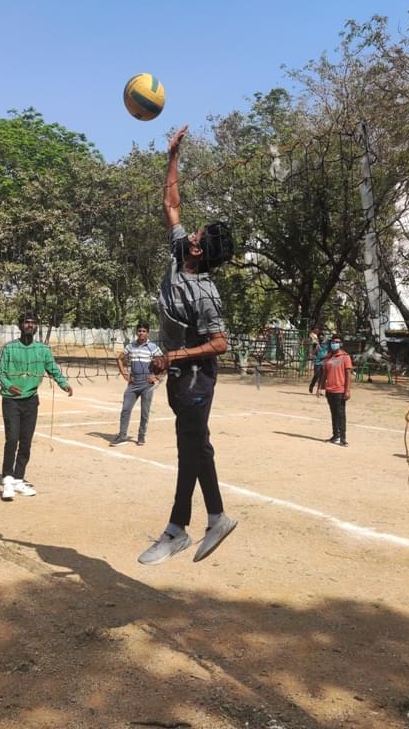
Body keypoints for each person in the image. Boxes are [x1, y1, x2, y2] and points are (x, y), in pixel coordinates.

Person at [138, 124, 238, 566]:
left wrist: (174, 355)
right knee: (197, 446)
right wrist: (173, 155)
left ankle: (178, 529)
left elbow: (220, 343)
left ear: (199, 250)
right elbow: (171, 203)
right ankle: (216, 518)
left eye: (196, 233)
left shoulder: (205, 293)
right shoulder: (180, 253)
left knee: (190, 447)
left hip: (197, 378)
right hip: (179, 374)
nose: (190, 231)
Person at [0, 311, 73, 502]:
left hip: (31, 400)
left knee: (26, 441)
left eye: (33, 322)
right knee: (12, 439)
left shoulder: (43, 349)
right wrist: (8, 385)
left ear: (36, 326)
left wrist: (63, 384)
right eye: (26, 322)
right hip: (11, 400)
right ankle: (7, 480)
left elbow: (52, 368)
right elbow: (0, 373)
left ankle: (18, 479)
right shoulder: (9, 348)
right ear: (20, 325)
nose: (30, 325)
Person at [111, 322, 163, 446]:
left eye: (144, 331)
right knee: (125, 409)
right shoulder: (131, 346)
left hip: (147, 383)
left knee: (145, 412)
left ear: (147, 333)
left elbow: (164, 363)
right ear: (136, 332)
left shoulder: (153, 347)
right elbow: (119, 358)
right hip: (133, 383)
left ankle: (141, 436)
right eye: (139, 331)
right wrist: (124, 374)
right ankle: (122, 435)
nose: (141, 333)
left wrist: (157, 377)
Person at [316, 333, 353, 445]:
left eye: (336, 342)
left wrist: (347, 390)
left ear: (341, 344)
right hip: (330, 390)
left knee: (340, 414)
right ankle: (335, 435)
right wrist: (320, 388)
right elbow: (324, 374)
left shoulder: (345, 357)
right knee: (333, 413)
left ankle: (343, 438)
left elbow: (348, 374)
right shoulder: (328, 357)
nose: (334, 344)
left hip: (339, 391)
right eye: (333, 342)